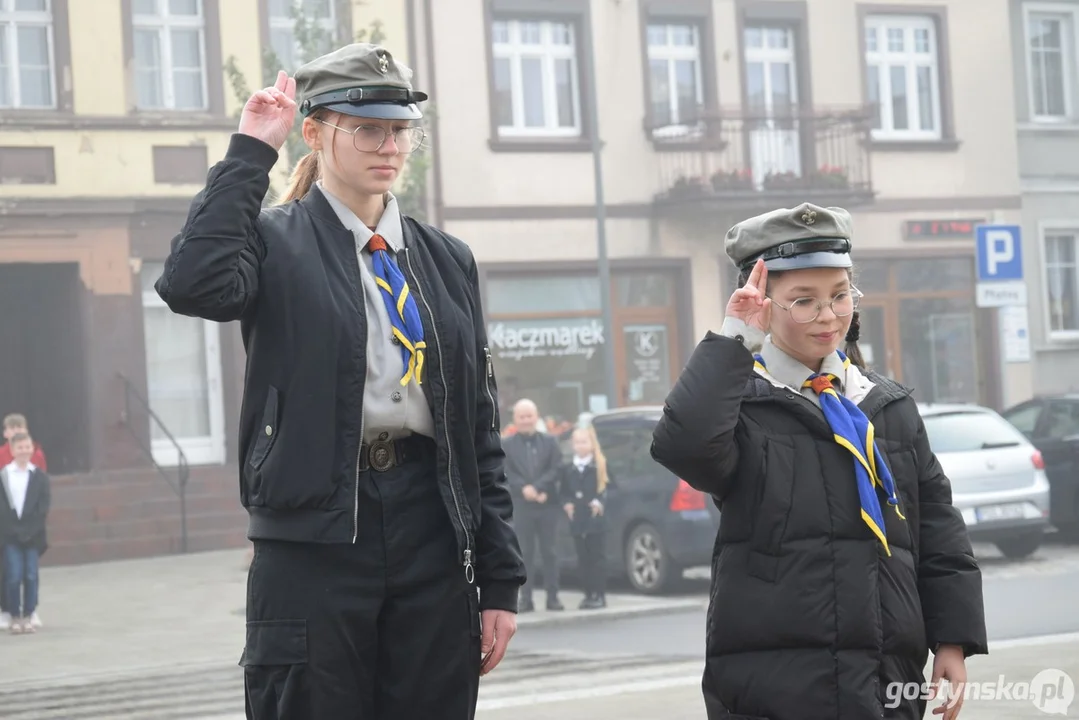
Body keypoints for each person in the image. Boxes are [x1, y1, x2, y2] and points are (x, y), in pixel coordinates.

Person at [154, 43, 526, 719]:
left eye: (399, 129)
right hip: (315, 533)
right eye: (367, 129)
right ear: (316, 132)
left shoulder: (445, 259)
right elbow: (192, 285)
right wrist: (248, 152)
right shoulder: (275, 242)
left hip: (431, 530)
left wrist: (499, 580)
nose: (388, 145)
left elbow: (478, 427)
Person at [650, 203, 987, 720]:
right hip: (774, 688)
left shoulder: (887, 406)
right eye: (803, 301)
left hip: (887, 684)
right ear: (763, 303)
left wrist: (953, 639)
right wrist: (735, 338)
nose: (828, 316)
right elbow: (685, 446)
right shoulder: (742, 404)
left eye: (839, 296)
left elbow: (937, 529)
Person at [502, 399, 565, 611]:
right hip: (522, 506)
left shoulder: (550, 442)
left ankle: (553, 597)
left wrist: (538, 487)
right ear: (515, 420)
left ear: (536, 417)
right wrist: (525, 489)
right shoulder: (506, 445)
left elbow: (557, 468)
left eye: (529, 416)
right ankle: (526, 598)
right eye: (522, 416)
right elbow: (505, 471)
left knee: (550, 552)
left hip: (547, 504)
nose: (526, 420)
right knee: (524, 553)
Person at [0, 432, 50, 635]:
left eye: (27, 447)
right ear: (12, 450)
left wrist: (30, 531)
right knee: (13, 575)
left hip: (33, 535)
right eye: (19, 447)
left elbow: (42, 507)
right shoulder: (4, 475)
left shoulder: (39, 476)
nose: (24, 451)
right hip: (10, 535)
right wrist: (13, 530)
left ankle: (29, 614)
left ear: (32, 449)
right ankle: (14, 615)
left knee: (30, 575)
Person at [560, 425, 608, 609]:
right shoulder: (569, 468)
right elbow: (564, 491)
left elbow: (608, 488)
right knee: (583, 558)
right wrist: (567, 503)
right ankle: (588, 594)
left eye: (584, 442)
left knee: (597, 557)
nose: (580, 446)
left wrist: (599, 501)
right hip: (577, 519)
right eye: (577, 442)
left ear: (592, 443)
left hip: (596, 520)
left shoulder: (599, 465)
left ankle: (600, 594)